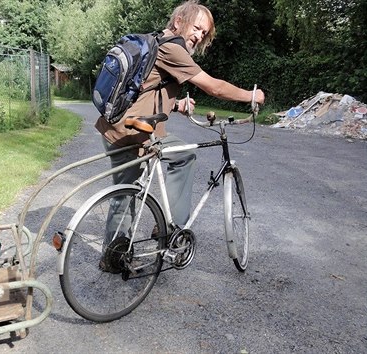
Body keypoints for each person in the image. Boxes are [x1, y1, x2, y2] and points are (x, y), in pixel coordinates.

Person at [95, 0, 265, 234]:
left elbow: (144, 88)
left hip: (120, 127)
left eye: (203, 33)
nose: (199, 36)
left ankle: (144, 237)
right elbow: (213, 87)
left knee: (137, 184)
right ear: (179, 21)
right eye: (196, 28)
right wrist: (251, 95)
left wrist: (177, 106)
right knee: (137, 185)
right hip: (132, 133)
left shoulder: (155, 41)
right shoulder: (172, 48)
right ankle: (162, 231)